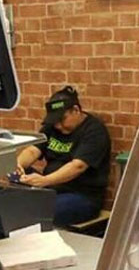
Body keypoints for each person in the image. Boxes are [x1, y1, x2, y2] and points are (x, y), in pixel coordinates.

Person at [15, 86, 111, 227]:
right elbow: (32, 151)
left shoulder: (95, 131)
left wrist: (45, 181)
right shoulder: (51, 127)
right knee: (13, 187)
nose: (58, 125)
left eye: (62, 119)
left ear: (76, 110)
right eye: (55, 121)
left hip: (81, 195)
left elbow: (77, 166)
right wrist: (18, 165)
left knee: (38, 210)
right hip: (51, 188)